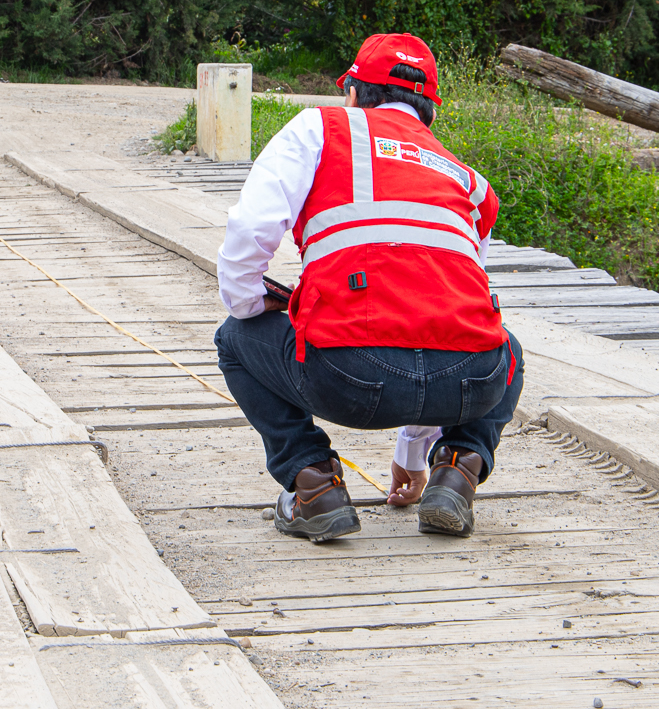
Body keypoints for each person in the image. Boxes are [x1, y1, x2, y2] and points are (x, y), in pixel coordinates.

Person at [213, 32, 523, 542]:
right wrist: (412, 454)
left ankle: (313, 485)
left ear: (353, 94)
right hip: (468, 382)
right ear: (429, 113)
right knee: (504, 348)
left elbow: (250, 232)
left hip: (348, 380)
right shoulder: (470, 181)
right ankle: (457, 472)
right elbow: (446, 318)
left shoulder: (319, 128)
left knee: (235, 337)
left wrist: (253, 302)